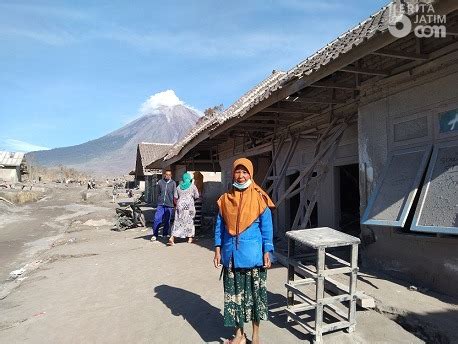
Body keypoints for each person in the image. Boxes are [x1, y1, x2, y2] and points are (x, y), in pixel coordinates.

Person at [213, 158, 275, 344]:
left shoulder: (260, 198)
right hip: (231, 257)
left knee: (255, 298)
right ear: (233, 174)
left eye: (245, 172)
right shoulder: (225, 200)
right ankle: (239, 334)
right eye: (237, 172)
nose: (241, 176)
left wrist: (267, 251)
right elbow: (219, 228)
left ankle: (255, 336)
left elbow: (267, 229)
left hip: (254, 257)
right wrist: (217, 249)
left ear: (251, 174)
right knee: (235, 298)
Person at [168, 172, 199, 245]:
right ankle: (190, 238)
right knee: (190, 221)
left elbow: (175, 197)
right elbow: (197, 196)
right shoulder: (192, 186)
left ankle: (172, 237)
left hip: (180, 205)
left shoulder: (179, 187)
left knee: (178, 221)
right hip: (189, 206)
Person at [151, 169, 176, 241]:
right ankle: (155, 234)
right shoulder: (160, 182)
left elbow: (174, 194)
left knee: (167, 220)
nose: (168, 176)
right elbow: (157, 192)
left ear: (171, 175)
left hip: (169, 204)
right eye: (166, 174)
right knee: (157, 219)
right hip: (161, 204)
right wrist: (159, 200)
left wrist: (174, 204)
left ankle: (165, 234)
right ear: (164, 175)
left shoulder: (173, 183)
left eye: (169, 175)